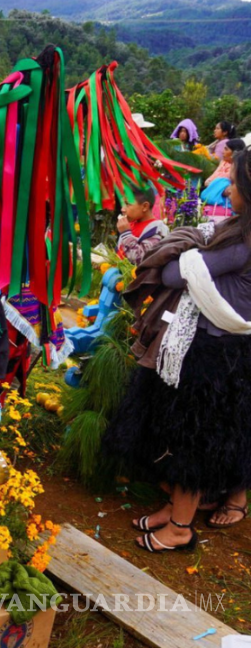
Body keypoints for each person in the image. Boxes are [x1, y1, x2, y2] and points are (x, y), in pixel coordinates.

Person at [108, 148, 251, 548]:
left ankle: (180, 528)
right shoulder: (238, 234)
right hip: (219, 349)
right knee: (179, 434)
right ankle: (175, 509)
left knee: (191, 441)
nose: (229, 190)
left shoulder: (240, 244)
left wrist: (189, 249)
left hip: (211, 355)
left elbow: (173, 271)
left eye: (236, 184)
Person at [115, 184, 169, 265]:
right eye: (123, 204)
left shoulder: (157, 230)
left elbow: (141, 259)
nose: (122, 209)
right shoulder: (130, 224)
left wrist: (126, 234)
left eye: (127, 204)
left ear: (145, 206)